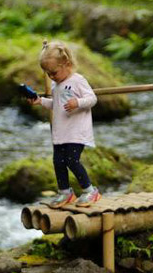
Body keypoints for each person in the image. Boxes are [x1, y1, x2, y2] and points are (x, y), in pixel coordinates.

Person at [23, 40, 100, 208]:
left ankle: (90, 191)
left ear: (67, 63)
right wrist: (40, 101)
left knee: (72, 160)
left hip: (75, 131)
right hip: (60, 132)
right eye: (47, 73)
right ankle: (65, 192)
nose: (51, 76)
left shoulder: (78, 80)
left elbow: (93, 98)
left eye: (54, 72)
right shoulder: (56, 84)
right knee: (58, 162)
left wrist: (77, 102)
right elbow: (56, 104)